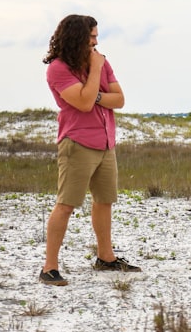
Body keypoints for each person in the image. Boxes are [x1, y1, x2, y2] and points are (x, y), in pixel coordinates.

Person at [40, 15, 141, 286]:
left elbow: (119, 99)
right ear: (76, 38)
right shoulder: (59, 68)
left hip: (106, 143)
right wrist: (95, 75)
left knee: (104, 200)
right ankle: (49, 267)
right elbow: (83, 104)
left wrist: (95, 93)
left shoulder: (100, 61)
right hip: (77, 143)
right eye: (92, 37)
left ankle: (105, 258)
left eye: (96, 37)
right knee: (67, 203)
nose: (96, 42)